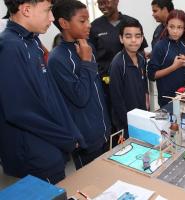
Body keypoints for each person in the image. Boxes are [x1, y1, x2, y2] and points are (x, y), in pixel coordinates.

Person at [0, 0, 86, 184]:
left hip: (51, 143)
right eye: (47, 11)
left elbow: (50, 94)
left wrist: (71, 130)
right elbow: (19, 111)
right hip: (34, 150)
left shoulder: (32, 41)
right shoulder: (9, 47)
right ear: (26, 10)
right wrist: (64, 137)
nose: (52, 17)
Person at [49, 0, 111, 170]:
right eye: (82, 21)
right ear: (64, 23)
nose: (89, 25)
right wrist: (85, 61)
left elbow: (95, 90)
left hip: (103, 129)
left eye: (88, 20)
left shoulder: (87, 46)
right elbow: (80, 97)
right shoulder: (57, 58)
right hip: (86, 136)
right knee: (91, 184)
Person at [90, 0, 148, 85]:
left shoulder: (131, 22)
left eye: (106, 2)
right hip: (107, 82)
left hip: (132, 80)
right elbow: (91, 57)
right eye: (100, 3)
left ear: (116, 1)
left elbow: (141, 52)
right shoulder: (94, 27)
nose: (102, 7)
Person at [109, 18, 149, 138]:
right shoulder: (118, 64)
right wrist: (128, 123)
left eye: (137, 36)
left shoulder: (142, 59)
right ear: (121, 39)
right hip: (125, 123)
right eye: (128, 36)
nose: (133, 40)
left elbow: (144, 85)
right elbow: (116, 99)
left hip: (141, 116)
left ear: (142, 38)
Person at [147, 9, 185, 107]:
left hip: (182, 96)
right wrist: (174, 66)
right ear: (167, 26)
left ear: (184, 29)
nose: (175, 31)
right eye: (172, 27)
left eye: (179, 27)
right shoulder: (160, 46)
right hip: (166, 100)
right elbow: (151, 75)